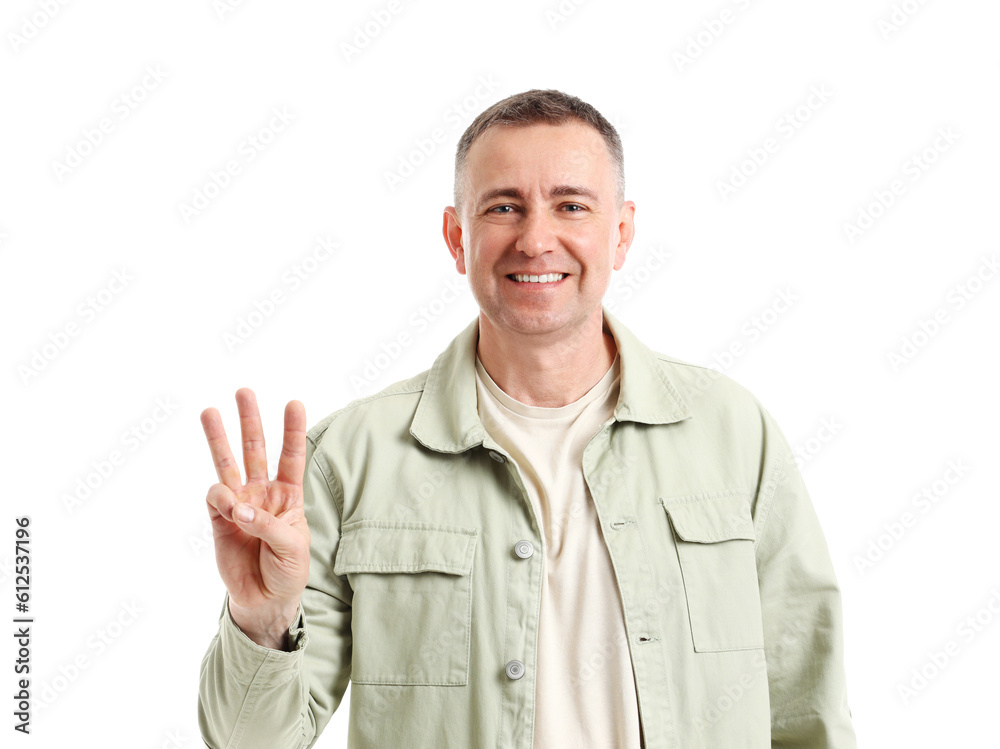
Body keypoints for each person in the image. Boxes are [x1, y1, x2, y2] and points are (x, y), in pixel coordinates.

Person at [197, 89, 858, 749]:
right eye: (503, 207)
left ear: (621, 232)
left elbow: (809, 705)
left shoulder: (733, 433)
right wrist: (263, 618)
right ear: (458, 238)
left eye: (571, 205)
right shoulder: (352, 457)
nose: (537, 239)